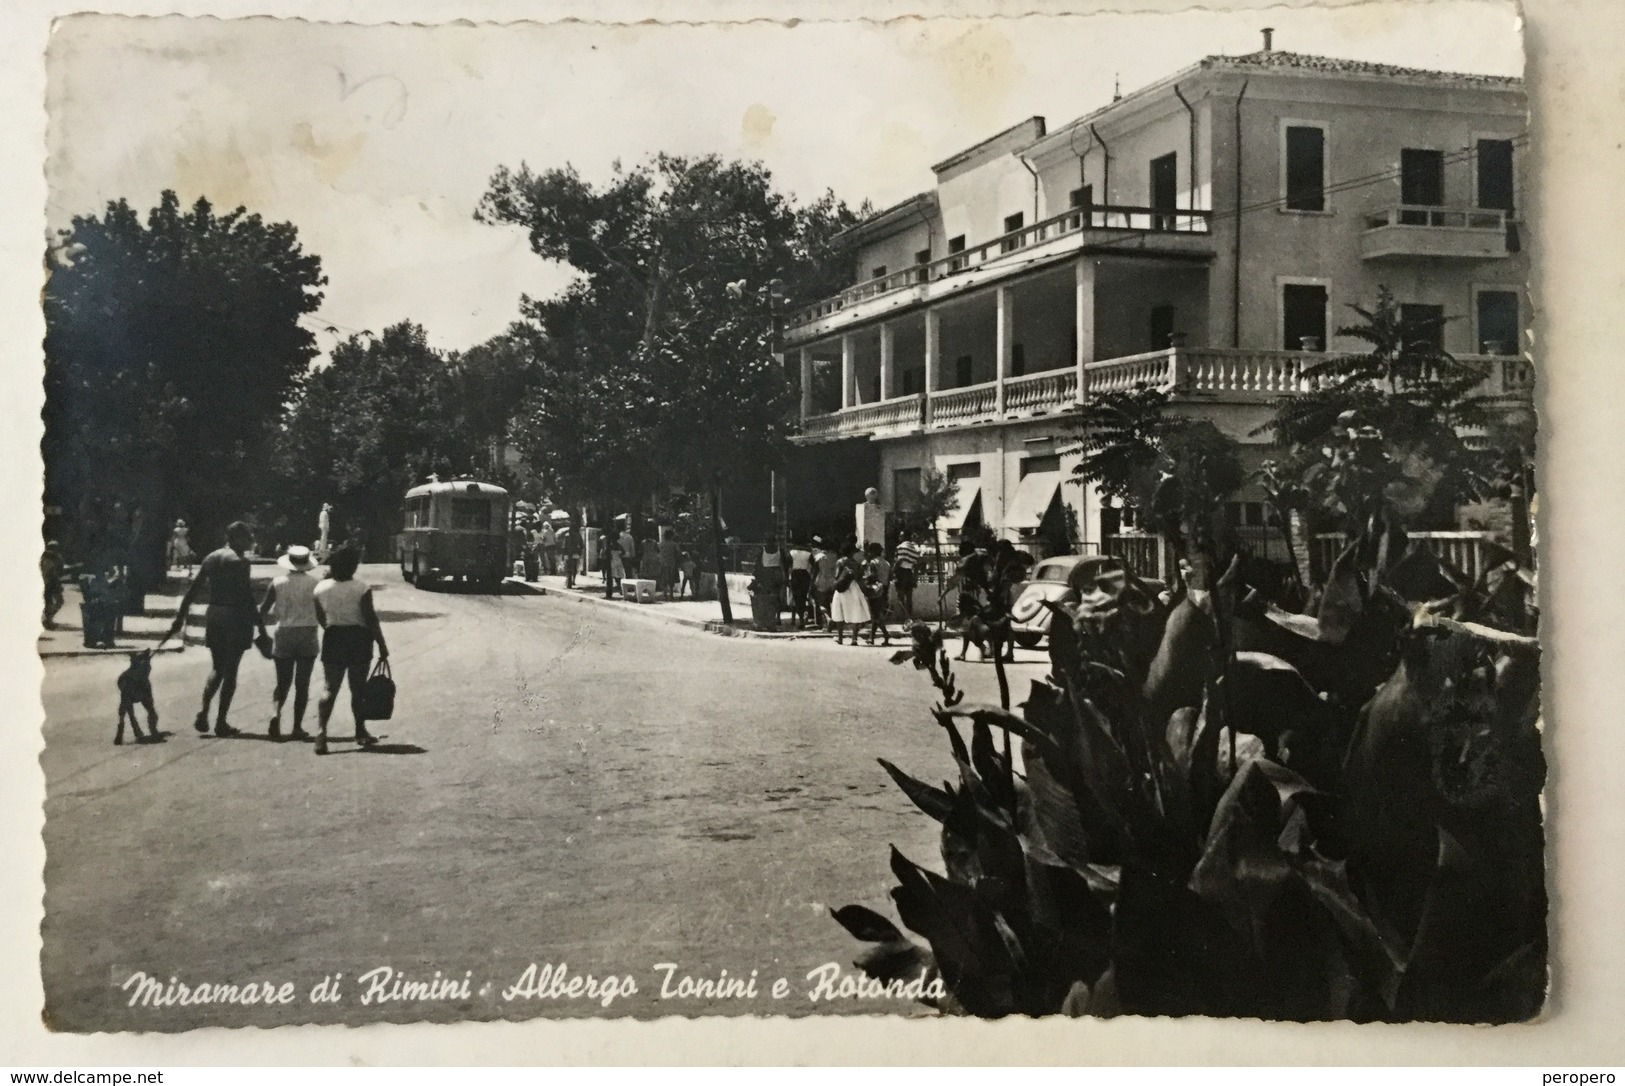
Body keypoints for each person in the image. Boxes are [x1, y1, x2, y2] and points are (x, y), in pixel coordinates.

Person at [168, 521, 268, 737]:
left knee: (218, 667)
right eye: (247, 538)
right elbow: (247, 597)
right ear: (235, 538)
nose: (250, 542)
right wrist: (261, 627)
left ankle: (204, 711)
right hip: (236, 616)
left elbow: (192, 591)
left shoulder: (211, 558)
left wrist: (180, 618)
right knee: (231, 671)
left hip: (214, 615)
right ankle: (221, 721)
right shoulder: (240, 562)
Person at [312, 545, 389, 756]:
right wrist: (382, 644)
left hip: (333, 637)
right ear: (353, 566)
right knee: (358, 689)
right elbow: (370, 618)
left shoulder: (320, 588)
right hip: (358, 639)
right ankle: (360, 731)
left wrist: (329, 628)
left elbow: (320, 616)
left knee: (329, 688)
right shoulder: (361, 588)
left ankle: (320, 733)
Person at [259, 544, 320, 740]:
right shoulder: (315, 583)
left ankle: (276, 714)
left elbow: (262, 611)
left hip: (283, 631)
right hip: (308, 632)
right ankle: (297, 727)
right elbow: (321, 611)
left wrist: (261, 633)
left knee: (283, 681)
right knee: (302, 684)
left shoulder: (277, 582)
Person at [829, 542, 871, 646]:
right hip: (853, 588)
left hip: (842, 588)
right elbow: (858, 577)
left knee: (839, 612)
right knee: (855, 611)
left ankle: (840, 638)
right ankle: (854, 639)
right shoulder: (856, 563)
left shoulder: (840, 562)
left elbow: (837, 575)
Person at [862, 541, 892, 646]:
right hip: (883, 589)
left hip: (875, 590)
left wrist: (864, 579)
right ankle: (872, 637)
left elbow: (872, 576)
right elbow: (888, 579)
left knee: (875, 615)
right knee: (876, 613)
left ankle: (886, 634)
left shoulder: (873, 563)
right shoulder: (886, 563)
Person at [891, 529, 922, 624]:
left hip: (901, 573)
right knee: (909, 598)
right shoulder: (914, 549)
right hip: (909, 573)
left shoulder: (901, 547)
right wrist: (915, 578)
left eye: (901, 535)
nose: (899, 537)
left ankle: (907, 618)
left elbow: (899, 561)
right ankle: (909, 616)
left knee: (900, 598)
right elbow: (916, 565)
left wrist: (892, 571)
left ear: (904, 537)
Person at [756, 534, 787, 619]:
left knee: (766, 596)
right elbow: (785, 564)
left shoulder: (762, 550)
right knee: (776, 596)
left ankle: (769, 616)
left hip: (766, 574)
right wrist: (785, 576)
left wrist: (757, 577)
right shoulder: (779, 550)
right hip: (777, 574)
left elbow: (758, 564)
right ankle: (778, 617)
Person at [810, 536, 837, 629]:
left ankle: (827, 618)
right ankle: (833, 621)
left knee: (820, 603)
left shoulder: (818, 557)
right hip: (832, 580)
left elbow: (815, 571)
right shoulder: (834, 556)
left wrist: (811, 583)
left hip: (821, 581)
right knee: (830, 602)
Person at [786, 536, 814, 629]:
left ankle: (795, 619)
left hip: (795, 575)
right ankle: (801, 619)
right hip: (805, 575)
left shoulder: (791, 553)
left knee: (795, 597)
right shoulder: (808, 554)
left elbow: (788, 566)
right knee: (802, 597)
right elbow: (814, 565)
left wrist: (788, 578)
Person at [41, 540, 65, 630]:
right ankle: (47, 620)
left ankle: (48, 620)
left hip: (50, 582)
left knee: (52, 603)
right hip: (51, 583)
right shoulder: (50, 558)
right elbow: (51, 572)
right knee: (55, 602)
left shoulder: (47, 557)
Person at [658, 531, 680, 601]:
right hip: (671, 563)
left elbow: (658, 552)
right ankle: (671, 594)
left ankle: (665, 593)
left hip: (663, 563)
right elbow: (678, 552)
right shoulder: (674, 544)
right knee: (671, 579)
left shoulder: (660, 544)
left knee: (664, 578)